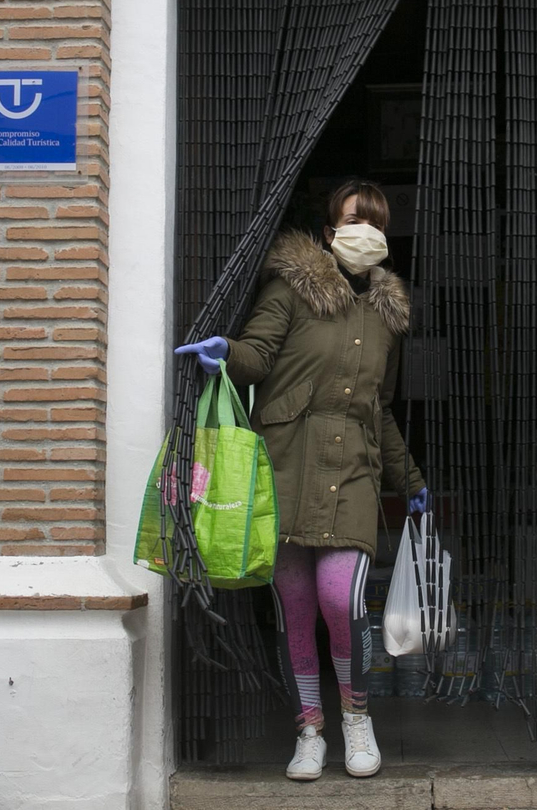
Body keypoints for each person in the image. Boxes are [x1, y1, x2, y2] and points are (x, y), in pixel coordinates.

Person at [175, 180, 429, 782]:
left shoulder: (388, 314)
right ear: (327, 231)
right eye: (352, 220)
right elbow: (259, 356)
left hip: (354, 474)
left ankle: (356, 720)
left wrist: (408, 476)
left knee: (340, 600)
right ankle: (309, 729)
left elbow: (382, 407)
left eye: (375, 224)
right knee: (295, 610)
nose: (364, 233)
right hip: (285, 468)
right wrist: (227, 352)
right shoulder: (290, 289)